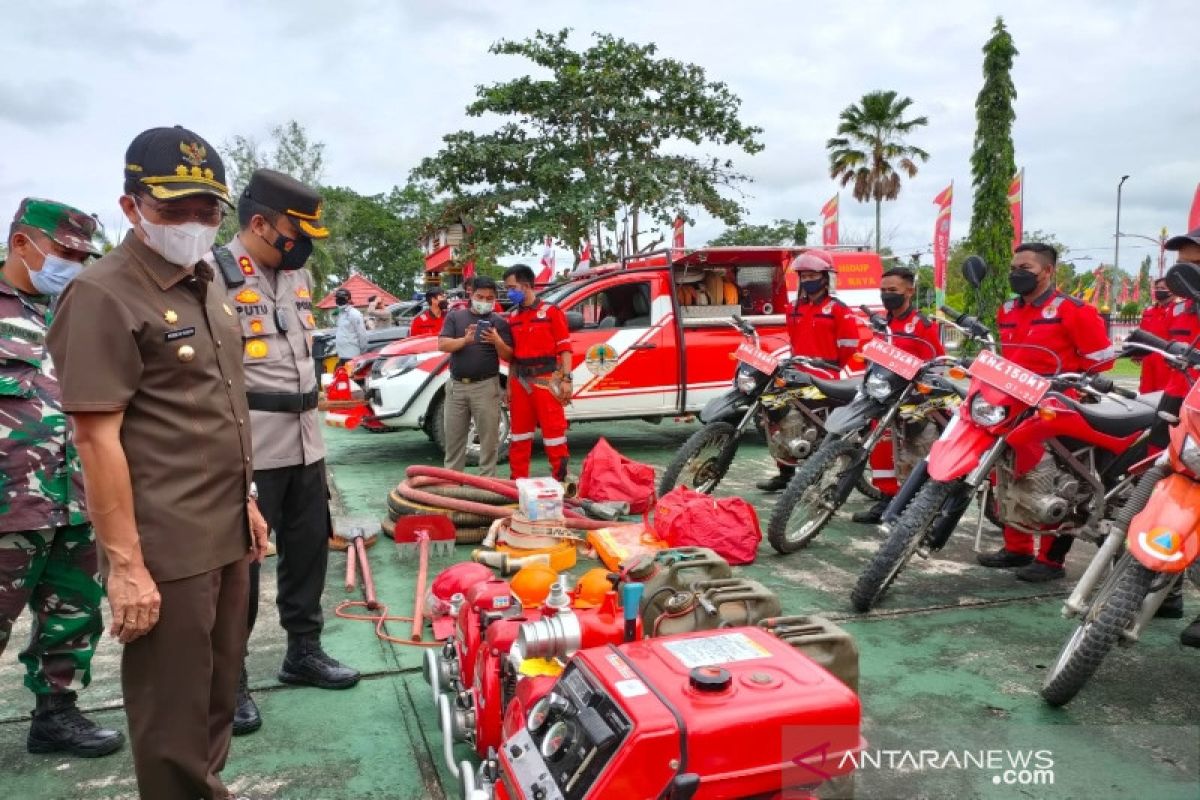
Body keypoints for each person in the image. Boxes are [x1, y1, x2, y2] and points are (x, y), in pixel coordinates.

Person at [47, 125, 270, 799]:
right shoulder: (104, 294)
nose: (194, 223)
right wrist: (126, 566)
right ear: (131, 206)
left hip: (226, 532)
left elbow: (217, 410)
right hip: (166, 549)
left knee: (214, 701)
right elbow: (95, 439)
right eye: (175, 208)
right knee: (172, 724)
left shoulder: (206, 284)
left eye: (208, 210)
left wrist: (249, 502)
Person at [209, 169, 360, 738]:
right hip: (250, 447)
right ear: (259, 223)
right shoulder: (212, 276)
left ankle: (303, 651)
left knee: (307, 551)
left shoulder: (299, 276)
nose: (305, 243)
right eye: (296, 231)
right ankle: (232, 678)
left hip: (306, 440)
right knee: (241, 567)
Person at [0, 198, 126, 758]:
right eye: (65, 252)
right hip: (10, 507)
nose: (75, 264)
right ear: (22, 243)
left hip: (78, 502)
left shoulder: (77, 311)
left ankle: (56, 717)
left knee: (72, 619)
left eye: (83, 255)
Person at [976, 242, 1115, 583]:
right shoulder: (1008, 309)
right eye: (1014, 267)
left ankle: (1051, 560)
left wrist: (1073, 381)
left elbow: (1102, 360)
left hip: (1058, 407)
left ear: (1049, 271)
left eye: (1026, 268)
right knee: (1007, 474)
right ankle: (1017, 548)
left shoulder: (1074, 310)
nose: (1016, 274)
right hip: (1011, 405)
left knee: (1061, 482)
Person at [757, 249, 861, 492]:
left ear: (825, 277)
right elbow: (794, 341)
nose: (807, 280)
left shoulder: (839, 309)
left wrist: (829, 369)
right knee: (776, 414)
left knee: (817, 426)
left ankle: (815, 473)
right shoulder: (794, 308)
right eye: (803, 276)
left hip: (826, 373)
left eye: (812, 275)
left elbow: (849, 347)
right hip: (796, 370)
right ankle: (784, 471)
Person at [853, 266, 945, 524]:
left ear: (909, 291)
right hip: (884, 397)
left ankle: (913, 502)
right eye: (883, 290)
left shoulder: (922, 324)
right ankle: (886, 499)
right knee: (881, 450)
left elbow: (936, 361)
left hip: (914, 398)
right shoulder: (883, 322)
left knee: (914, 450)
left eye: (892, 290)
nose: (887, 295)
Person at [1156, 227, 1200, 646]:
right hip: (1174, 408)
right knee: (1157, 496)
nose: (1185, 274)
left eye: (1195, 265)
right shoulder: (1181, 307)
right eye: (1183, 265)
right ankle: (1164, 591)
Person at [437, 276, 514, 476]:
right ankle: (453, 484)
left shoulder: (499, 322)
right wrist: (465, 340)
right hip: (456, 387)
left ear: (495, 299)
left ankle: (486, 486)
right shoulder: (456, 317)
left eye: (490, 298)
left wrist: (496, 340)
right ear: (471, 294)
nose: (485, 301)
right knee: (454, 439)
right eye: (480, 296)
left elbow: (509, 355)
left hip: (486, 386)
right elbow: (443, 344)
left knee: (489, 440)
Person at [502, 263, 573, 480]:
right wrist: (509, 385)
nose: (508, 292)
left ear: (525, 286)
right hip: (520, 382)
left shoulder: (551, 312)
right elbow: (513, 356)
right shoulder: (512, 317)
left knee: (554, 436)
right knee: (519, 437)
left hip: (546, 381)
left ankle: (560, 484)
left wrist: (567, 379)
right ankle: (517, 485)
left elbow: (565, 348)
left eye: (511, 287)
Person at [1136, 278, 1173, 394]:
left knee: (1164, 391)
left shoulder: (1177, 310)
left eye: (1162, 288)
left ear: (1172, 291)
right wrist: (1137, 352)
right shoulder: (1149, 311)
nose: (1158, 291)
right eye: (1157, 288)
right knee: (1146, 389)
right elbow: (1142, 333)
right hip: (1149, 356)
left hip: (1166, 357)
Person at [334, 286, 369, 366]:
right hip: (341, 355)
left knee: (353, 378)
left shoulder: (355, 314)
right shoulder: (340, 314)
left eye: (341, 298)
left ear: (349, 299)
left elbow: (362, 335)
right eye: (337, 298)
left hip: (352, 355)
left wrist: (363, 353)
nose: (339, 300)